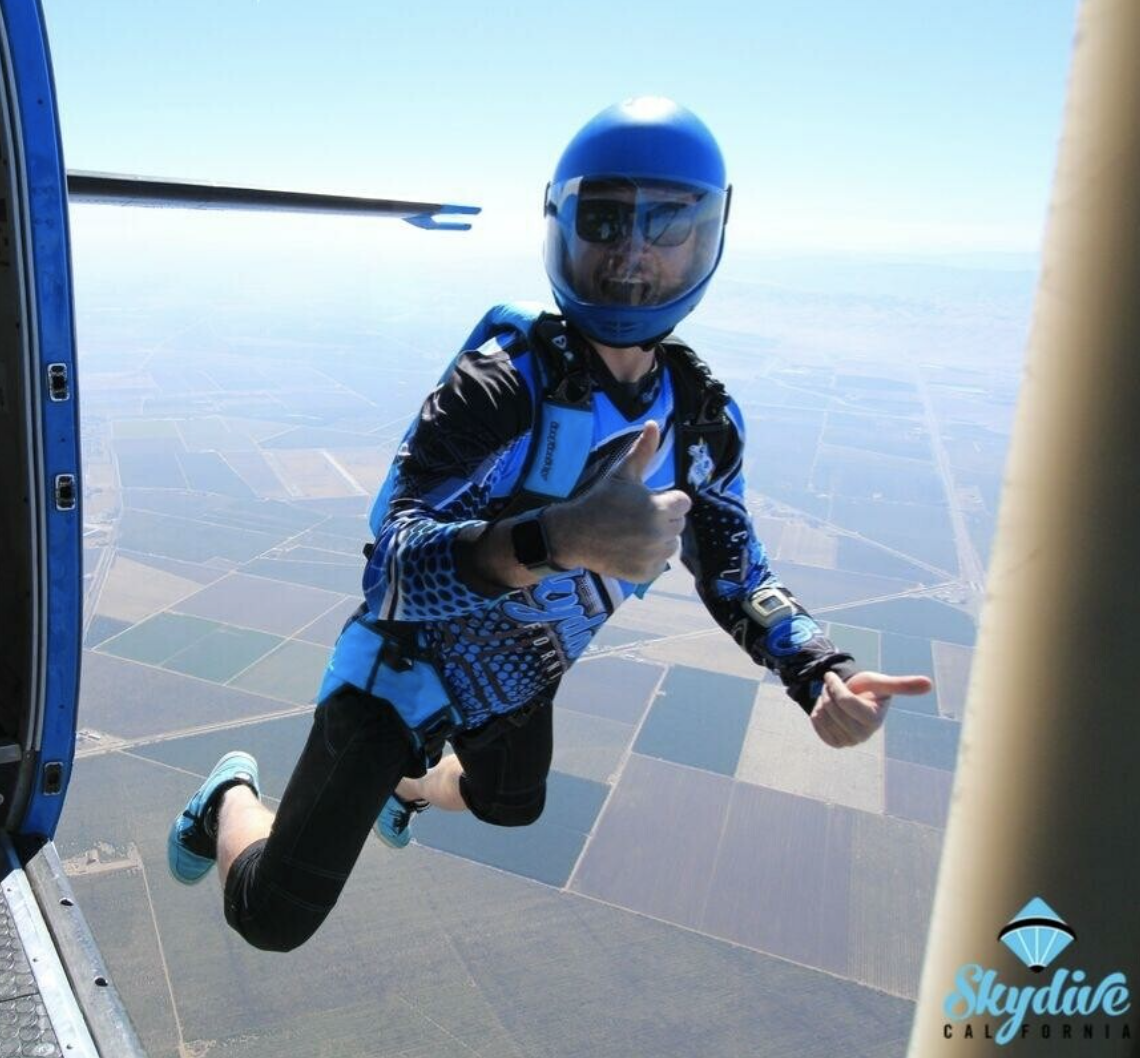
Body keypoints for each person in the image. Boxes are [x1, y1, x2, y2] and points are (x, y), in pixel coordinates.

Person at [166, 96, 933, 953]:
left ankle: (406, 789)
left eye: (668, 224)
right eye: (607, 222)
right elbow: (390, 568)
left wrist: (817, 670)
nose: (635, 255)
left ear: (708, 237)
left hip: (515, 679)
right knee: (273, 918)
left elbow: (736, 572)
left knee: (509, 805)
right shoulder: (501, 387)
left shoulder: (703, 421)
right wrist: (555, 540)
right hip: (399, 673)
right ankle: (229, 798)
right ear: (564, 227)